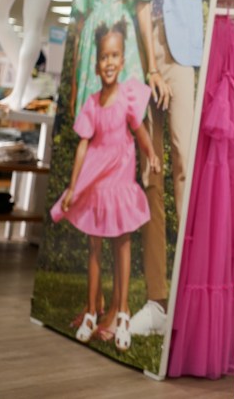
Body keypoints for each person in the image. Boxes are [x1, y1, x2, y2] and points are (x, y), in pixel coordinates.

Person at [50, 20, 161, 351]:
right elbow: (84, 145)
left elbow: (139, 130)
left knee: (122, 242)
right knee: (95, 245)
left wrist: (152, 154)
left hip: (120, 180)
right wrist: (72, 188)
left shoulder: (127, 97)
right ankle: (91, 313)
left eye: (115, 55)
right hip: (97, 183)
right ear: (96, 64)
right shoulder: (92, 103)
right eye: (103, 57)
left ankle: (123, 311)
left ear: (122, 60)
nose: (109, 62)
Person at [130, 0, 216, 336]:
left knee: (185, 163)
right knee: (151, 171)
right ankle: (156, 299)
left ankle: (186, 291)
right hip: (141, 39)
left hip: (181, 48)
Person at [70, 0, 171, 117]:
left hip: (122, 36)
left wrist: (153, 69)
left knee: (126, 112)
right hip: (92, 42)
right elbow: (79, 23)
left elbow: (143, 7)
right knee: (92, 117)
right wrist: (74, 84)